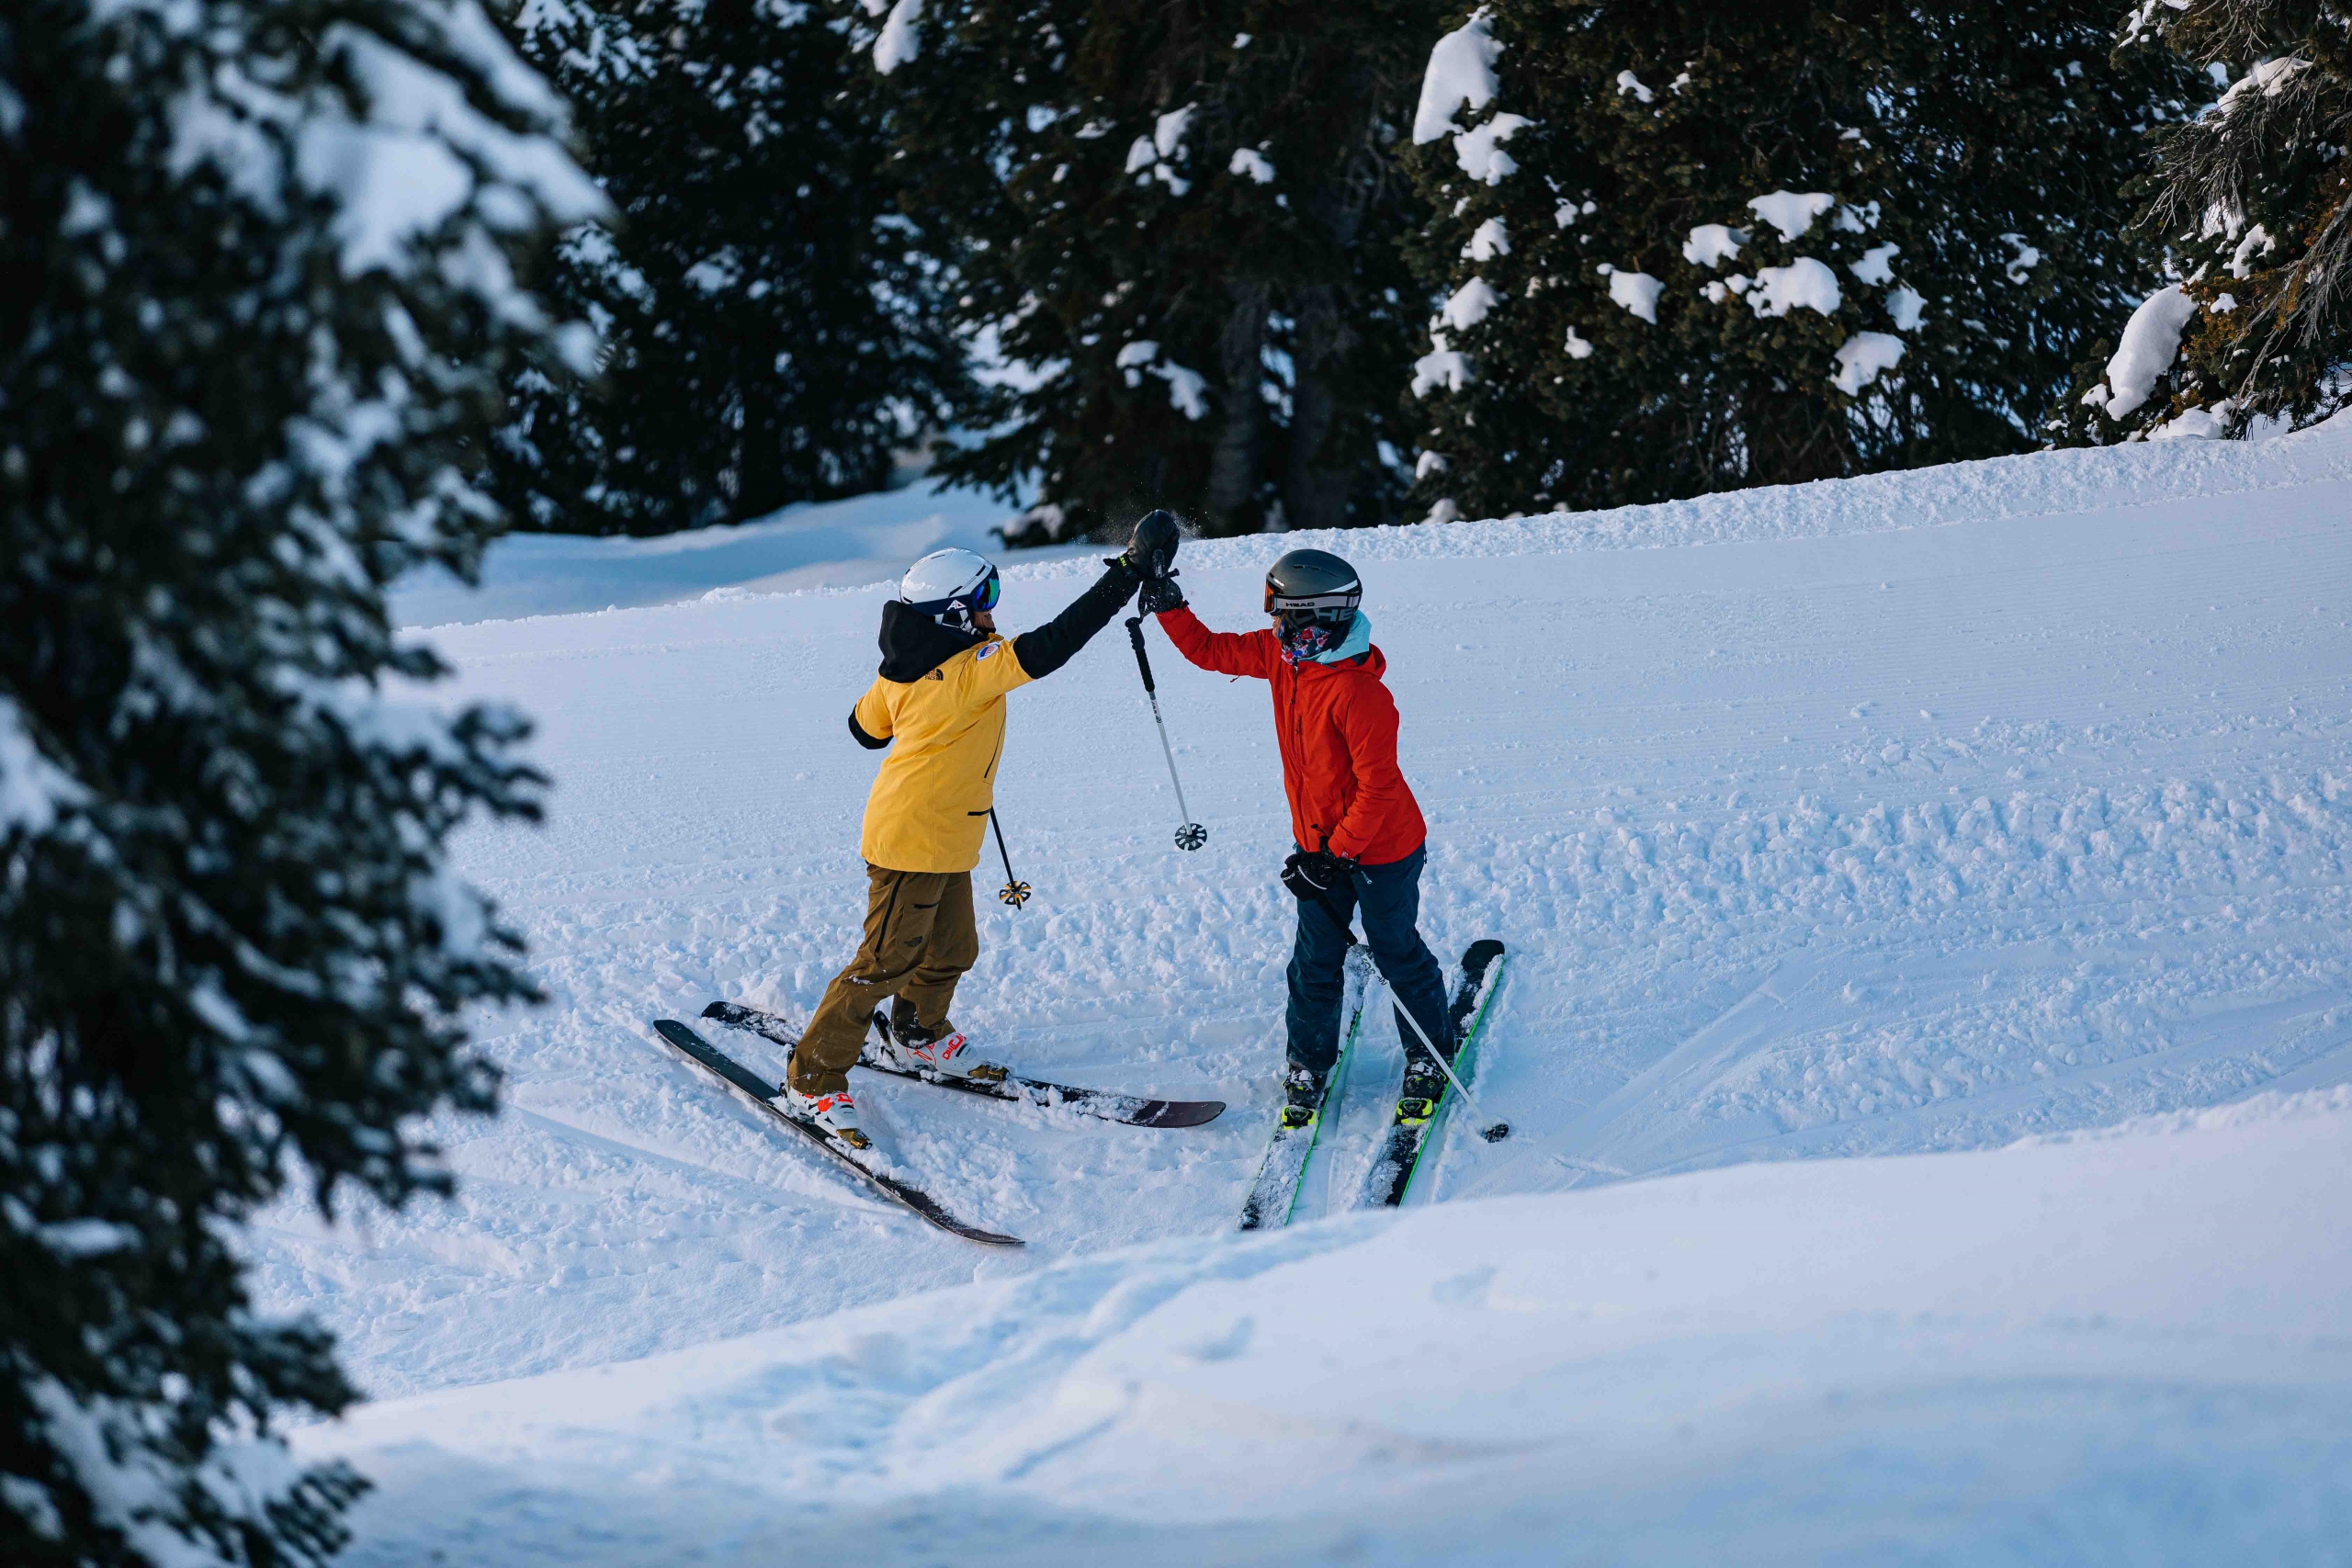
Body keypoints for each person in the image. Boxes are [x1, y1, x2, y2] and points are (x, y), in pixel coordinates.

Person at [784, 523, 1169, 1149]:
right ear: (957, 614)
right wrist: (1126, 572)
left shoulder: (903, 670)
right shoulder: (971, 669)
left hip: (943, 838)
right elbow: (1053, 643)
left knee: (953, 948)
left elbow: (864, 730)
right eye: (986, 594)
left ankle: (918, 1034)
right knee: (884, 962)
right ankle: (812, 1078)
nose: (994, 605)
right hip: (911, 840)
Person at [1138, 547, 1453, 1125]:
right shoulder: (1287, 659)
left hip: (1383, 851)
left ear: (1319, 616)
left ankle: (1429, 1056)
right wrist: (1171, 608)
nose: (1274, 626)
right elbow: (1212, 652)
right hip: (1321, 850)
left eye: (1284, 615)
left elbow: (1378, 792)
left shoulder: (1361, 695)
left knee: (1395, 950)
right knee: (1313, 962)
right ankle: (1308, 1062)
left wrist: (1333, 855)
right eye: (1274, 614)